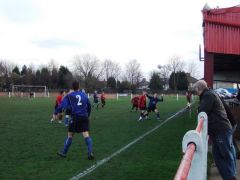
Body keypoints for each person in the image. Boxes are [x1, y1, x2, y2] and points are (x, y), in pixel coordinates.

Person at [193, 80, 237, 180]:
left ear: (199, 89)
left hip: (220, 130)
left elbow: (202, 111)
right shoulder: (210, 94)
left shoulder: (208, 95)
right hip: (220, 130)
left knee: (224, 156)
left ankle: (230, 176)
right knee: (219, 157)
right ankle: (230, 176)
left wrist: (198, 109)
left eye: (195, 91)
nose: (195, 93)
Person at [56, 81, 94, 160]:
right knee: (86, 135)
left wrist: (56, 112)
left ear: (72, 88)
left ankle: (64, 152)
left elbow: (62, 105)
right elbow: (89, 105)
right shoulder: (84, 95)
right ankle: (90, 152)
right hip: (84, 117)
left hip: (75, 118)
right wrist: (88, 115)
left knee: (70, 136)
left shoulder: (69, 96)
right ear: (79, 87)